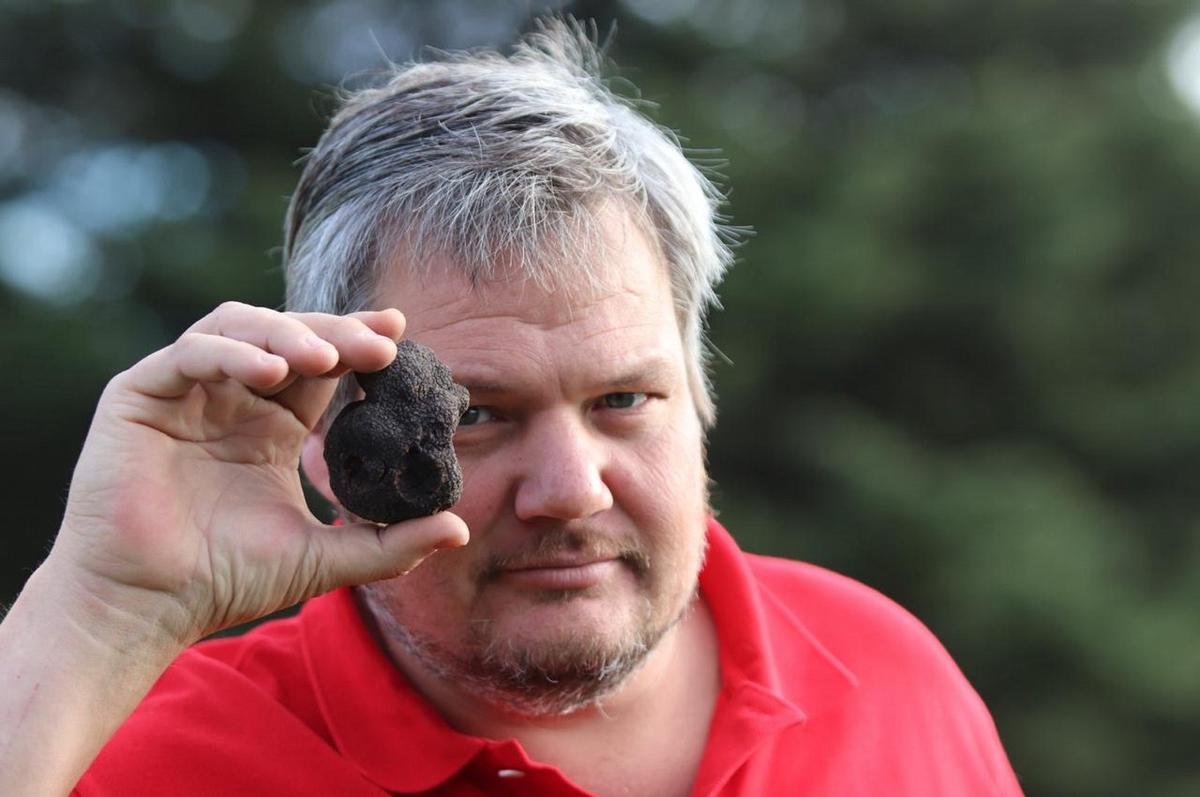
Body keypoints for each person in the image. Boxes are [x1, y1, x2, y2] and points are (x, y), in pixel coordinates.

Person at [0, 19, 1024, 797]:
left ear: (698, 394)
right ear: (320, 433)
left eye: (623, 396)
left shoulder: (887, 671)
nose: (569, 487)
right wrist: (99, 603)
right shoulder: (134, 752)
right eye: (478, 413)